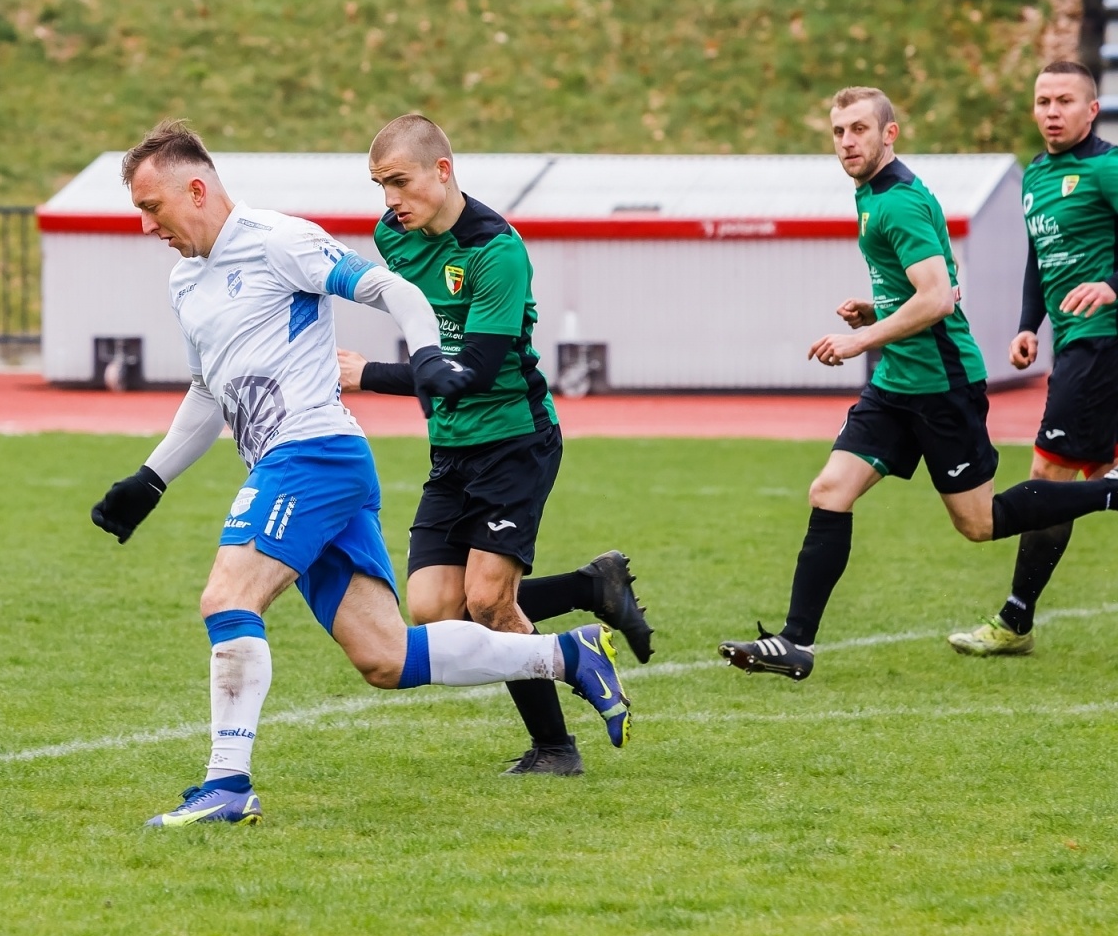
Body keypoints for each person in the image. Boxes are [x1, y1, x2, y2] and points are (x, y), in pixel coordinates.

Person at [90, 121, 632, 827]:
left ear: (195, 189)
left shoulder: (279, 240)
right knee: (386, 656)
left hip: (312, 453)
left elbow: (393, 292)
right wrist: (152, 478)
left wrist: (425, 357)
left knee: (228, 597)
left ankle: (227, 785)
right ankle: (567, 654)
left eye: (151, 206)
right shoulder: (186, 280)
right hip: (301, 464)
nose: (146, 225)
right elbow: (207, 389)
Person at [718, 87, 1118, 681]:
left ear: (890, 133)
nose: (847, 142)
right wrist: (874, 309)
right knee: (829, 490)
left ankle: (1110, 491)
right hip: (896, 385)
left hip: (940, 386)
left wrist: (861, 340)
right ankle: (795, 642)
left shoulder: (898, 201)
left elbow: (936, 299)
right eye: (838, 132)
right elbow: (930, 285)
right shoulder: (872, 193)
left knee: (979, 523)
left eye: (859, 129)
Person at [337, 114, 653, 777]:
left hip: (514, 440)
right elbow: (427, 339)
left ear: (442, 170)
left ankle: (556, 749)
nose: (389, 199)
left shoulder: (496, 251)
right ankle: (592, 586)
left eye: (399, 181)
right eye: (379, 185)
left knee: (487, 603)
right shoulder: (394, 237)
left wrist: (370, 375)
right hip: (450, 448)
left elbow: (474, 370)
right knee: (435, 610)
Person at [949, 61, 1118, 656]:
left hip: (1102, 341)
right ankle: (1016, 620)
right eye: (1043, 101)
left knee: (1049, 474)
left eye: (1064, 100)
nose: (1051, 111)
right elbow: (1038, 258)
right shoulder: (1037, 176)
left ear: (1092, 110)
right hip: (1075, 341)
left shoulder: (1108, 168)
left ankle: (1015, 620)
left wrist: (1112, 285)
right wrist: (1029, 324)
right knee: (1094, 471)